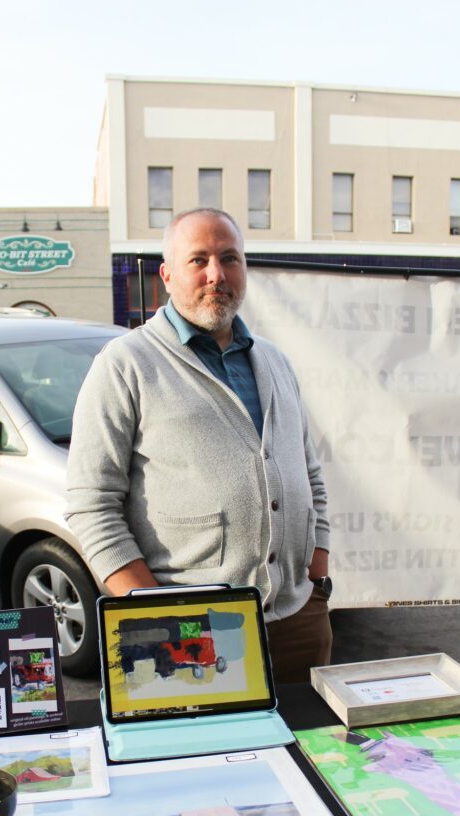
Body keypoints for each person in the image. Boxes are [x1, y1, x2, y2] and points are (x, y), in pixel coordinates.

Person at [65, 207, 331, 682]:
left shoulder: (274, 361)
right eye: (198, 260)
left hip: (298, 620)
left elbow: (309, 473)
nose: (217, 274)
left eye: (230, 258)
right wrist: (152, 614)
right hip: (190, 628)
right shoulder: (125, 364)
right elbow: (91, 504)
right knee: (206, 756)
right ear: (166, 276)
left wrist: (317, 575)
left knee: (309, 750)